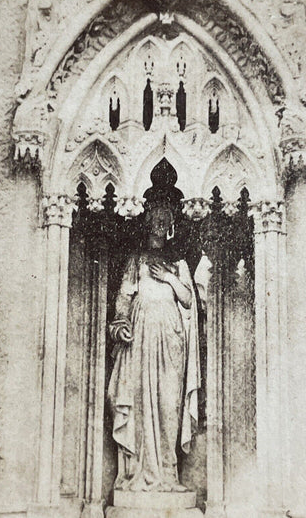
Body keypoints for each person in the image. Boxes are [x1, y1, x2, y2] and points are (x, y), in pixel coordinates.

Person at [108, 203, 200, 493]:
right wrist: (121, 321)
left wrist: (169, 278)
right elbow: (124, 295)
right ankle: (138, 471)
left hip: (171, 338)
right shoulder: (137, 259)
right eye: (155, 219)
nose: (160, 223)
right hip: (142, 334)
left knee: (168, 402)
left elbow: (188, 300)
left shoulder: (178, 262)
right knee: (139, 399)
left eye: (165, 219)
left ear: (171, 225)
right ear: (147, 223)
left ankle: (169, 474)